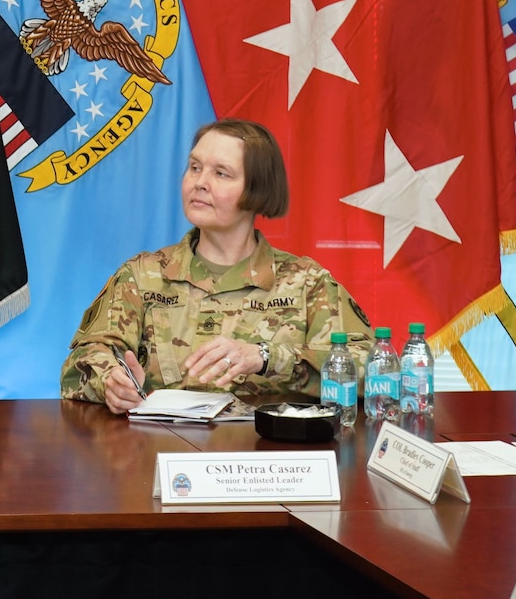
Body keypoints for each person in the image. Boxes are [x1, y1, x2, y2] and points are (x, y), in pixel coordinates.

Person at [60, 118, 372, 412]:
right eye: (194, 167)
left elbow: (372, 372)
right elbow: (81, 362)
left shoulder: (306, 284)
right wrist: (110, 382)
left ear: (258, 188)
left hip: (267, 462)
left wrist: (268, 357)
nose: (200, 182)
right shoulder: (143, 276)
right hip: (159, 456)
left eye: (221, 173)